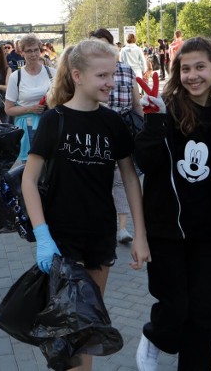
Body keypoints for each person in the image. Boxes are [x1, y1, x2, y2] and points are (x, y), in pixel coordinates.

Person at [21, 39, 150, 371]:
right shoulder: (55, 120)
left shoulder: (112, 122)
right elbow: (29, 180)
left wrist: (140, 234)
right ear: (77, 75)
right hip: (61, 238)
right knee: (67, 328)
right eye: (102, 75)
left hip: (99, 236)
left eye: (113, 75)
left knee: (87, 324)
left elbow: (131, 178)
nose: (110, 82)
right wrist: (42, 235)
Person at [133, 37, 211, 371]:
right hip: (164, 228)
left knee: (206, 313)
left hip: (203, 231)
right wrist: (154, 121)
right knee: (176, 309)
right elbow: (146, 162)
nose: (193, 75)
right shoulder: (166, 108)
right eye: (185, 69)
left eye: (200, 67)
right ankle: (156, 336)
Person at [89, 28, 143, 244]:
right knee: (98, 179)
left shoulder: (127, 70)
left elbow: (136, 102)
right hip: (96, 130)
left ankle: (121, 228)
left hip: (123, 129)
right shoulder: (85, 72)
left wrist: (141, 129)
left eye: (103, 45)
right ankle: (102, 224)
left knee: (122, 179)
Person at [4, 33, 57, 162]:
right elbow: (8, 109)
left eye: (35, 50)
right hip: (28, 128)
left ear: (40, 50)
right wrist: (31, 109)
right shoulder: (16, 77)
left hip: (51, 126)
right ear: (22, 53)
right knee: (30, 170)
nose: (33, 54)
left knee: (51, 168)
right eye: (29, 51)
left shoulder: (52, 73)